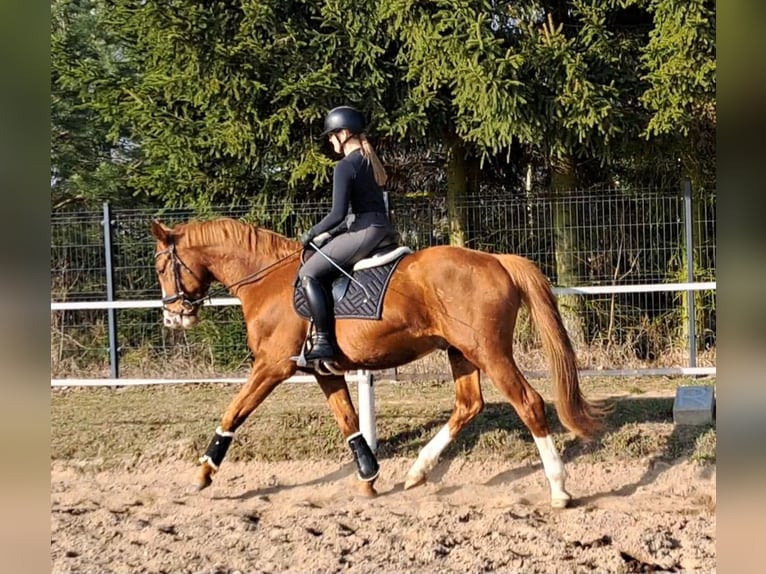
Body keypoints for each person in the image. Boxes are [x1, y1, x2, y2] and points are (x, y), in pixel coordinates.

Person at [298, 105, 398, 361]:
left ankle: (324, 342)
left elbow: (337, 214)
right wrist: (332, 235)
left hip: (365, 231)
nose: (330, 140)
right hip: (377, 227)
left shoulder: (345, 166)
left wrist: (312, 233)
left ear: (343, 134)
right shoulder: (367, 160)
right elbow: (359, 211)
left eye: (331, 135)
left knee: (308, 272)